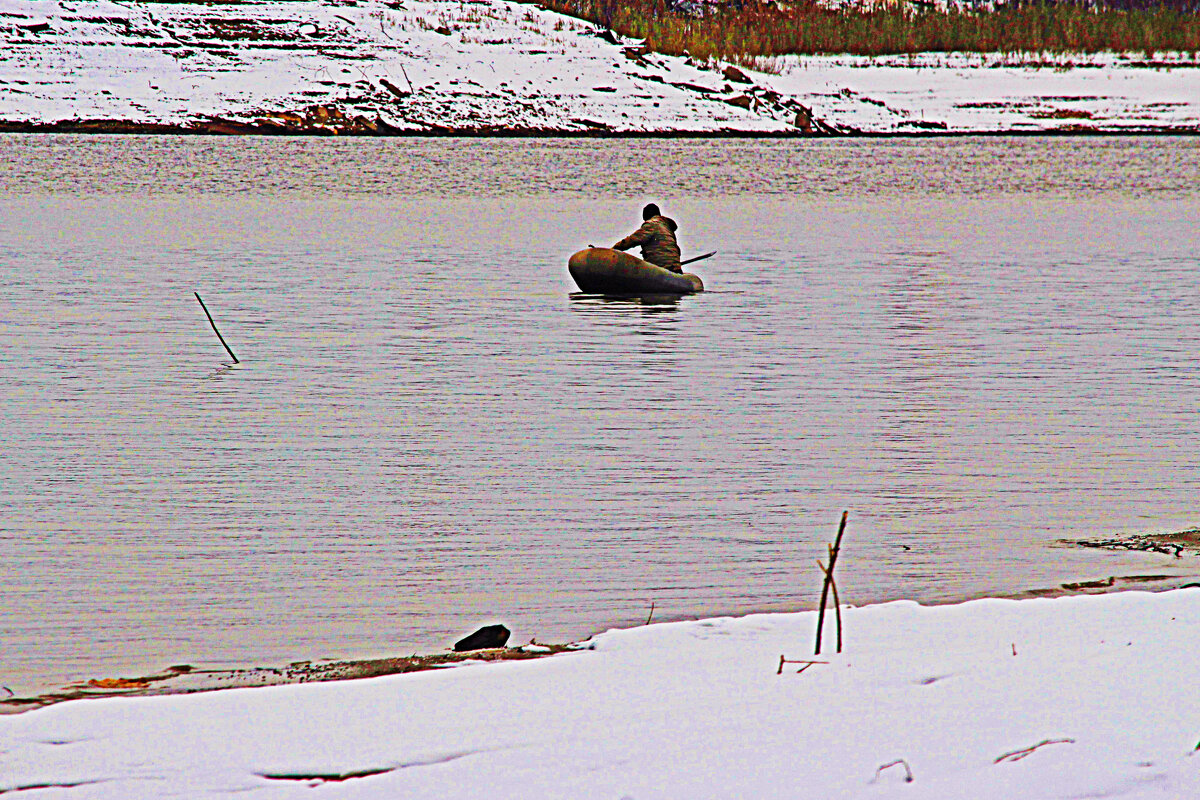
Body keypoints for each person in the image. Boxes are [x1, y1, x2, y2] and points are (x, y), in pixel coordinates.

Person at [613, 203, 682, 273]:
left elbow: (633, 240)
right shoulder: (667, 227)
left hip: (661, 268)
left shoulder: (651, 224)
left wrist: (614, 249)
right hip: (675, 268)